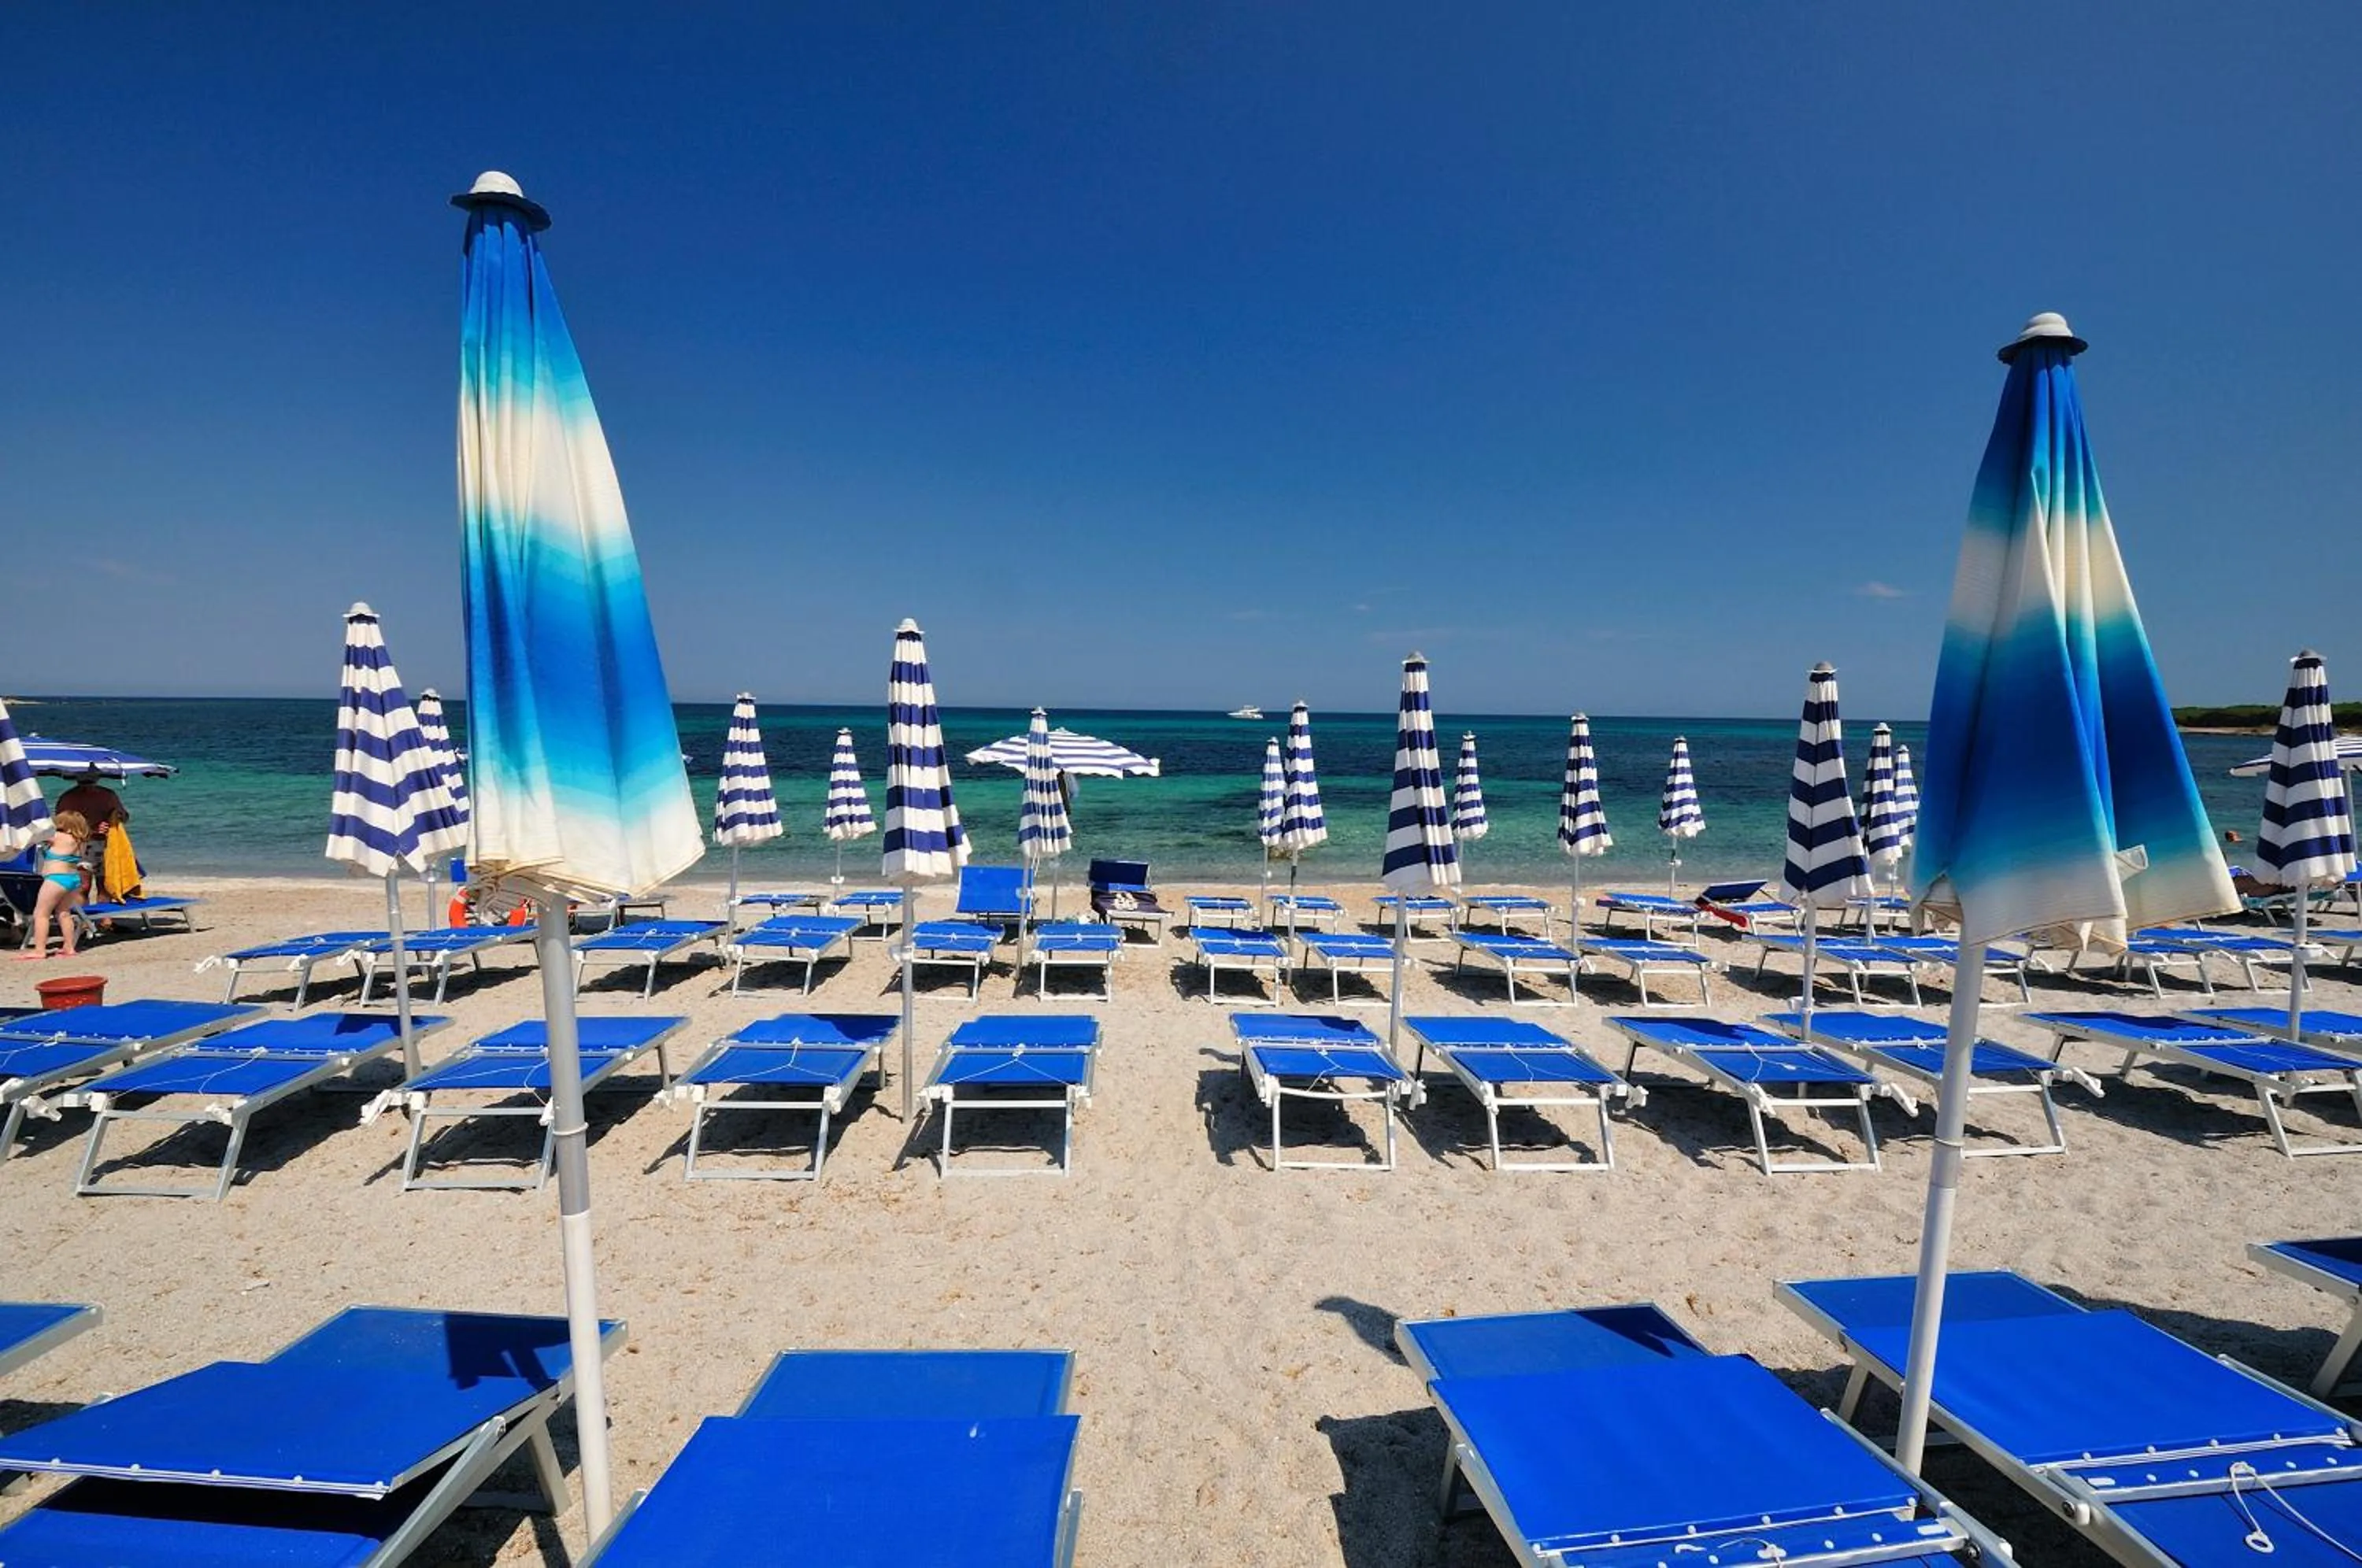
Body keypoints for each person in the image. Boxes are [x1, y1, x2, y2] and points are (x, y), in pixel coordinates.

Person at [17, 810, 89, 960]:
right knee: (64, 913)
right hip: (73, 879)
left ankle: (40, 950)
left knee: (41, 914)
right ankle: (69, 947)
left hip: (56, 879)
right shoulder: (81, 841)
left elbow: (33, 835)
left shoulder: (57, 836)